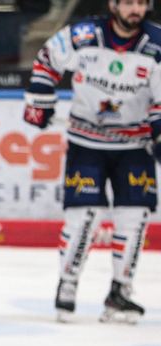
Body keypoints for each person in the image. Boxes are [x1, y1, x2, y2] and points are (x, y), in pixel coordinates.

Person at [23, 0, 160, 323]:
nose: (135, 10)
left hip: (134, 146)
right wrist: (40, 98)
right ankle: (68, 283)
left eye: (141, 3)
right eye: (128, 3)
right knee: (84, 215)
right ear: (113, 5)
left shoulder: (156, 44)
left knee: (135, 216)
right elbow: (47, 59)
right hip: (87, 144)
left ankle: (120, 291)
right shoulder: (84, 35)